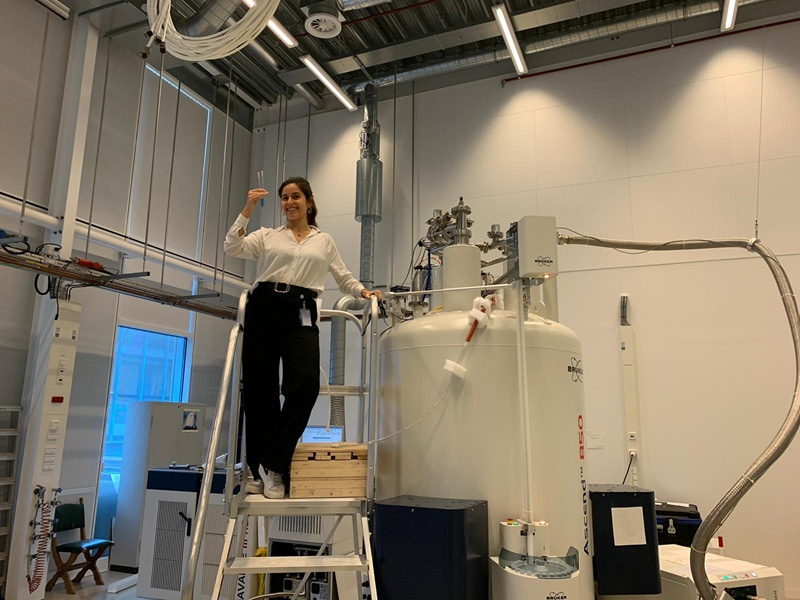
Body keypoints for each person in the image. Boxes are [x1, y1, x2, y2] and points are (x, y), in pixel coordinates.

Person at [224, 177, 381, 499]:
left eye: (295, 196)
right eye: (284, 198)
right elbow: (232, 246)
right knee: (259, 390)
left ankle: (273, 462)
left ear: (309, 202)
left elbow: (342, 274)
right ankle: (257, 470)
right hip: (264, 304)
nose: (289, 202)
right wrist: (248, 209)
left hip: (302, 310)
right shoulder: (267, 236)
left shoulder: (323, 241)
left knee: (306, 383)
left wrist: (363, 291)